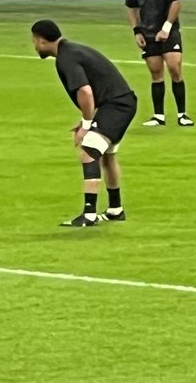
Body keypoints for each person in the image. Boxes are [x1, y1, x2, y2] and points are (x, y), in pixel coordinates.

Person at [31, 19, 137, 227]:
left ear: (42, 41)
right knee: (107, 155)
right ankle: (115, 209)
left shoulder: (66, 58)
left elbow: (85, 91)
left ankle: (89, 214)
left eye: (34, 41)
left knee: (88, 151)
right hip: (120, 103)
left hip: (115, 106)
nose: (34, 46)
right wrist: (85, 121)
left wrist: (87, 124)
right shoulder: (72, 51)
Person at [125, 0, 192, 128]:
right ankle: (158, 116)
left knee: (174, 68)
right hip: (147, 33)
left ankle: (182, 114)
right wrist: (137, 31)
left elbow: (176, 2)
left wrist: (167, 27)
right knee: (156, 73)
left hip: (168, 32)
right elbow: (131, 8)